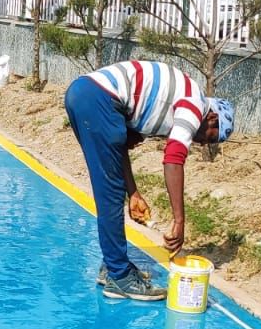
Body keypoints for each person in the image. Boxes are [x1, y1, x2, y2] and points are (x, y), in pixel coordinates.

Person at [64, 59, 235, 302]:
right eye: (209, 138)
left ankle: (113, 266)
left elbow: (120, 148)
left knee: (111, 189)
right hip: (97, 97)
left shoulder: (158, 112)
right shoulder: (194, 103)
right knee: (110, 193)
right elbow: (173, 159)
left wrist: (133, 193)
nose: (201, 143)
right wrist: (179, 221)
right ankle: (119, 278)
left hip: (86, 94)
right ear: (213, 119)